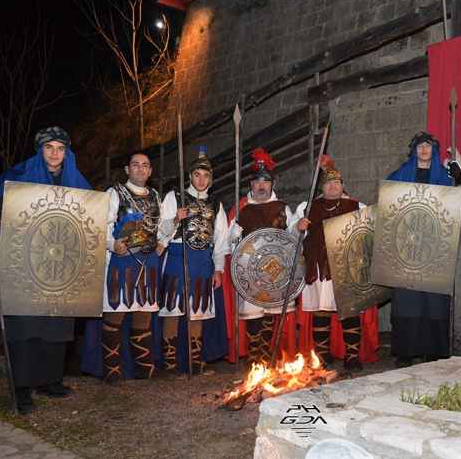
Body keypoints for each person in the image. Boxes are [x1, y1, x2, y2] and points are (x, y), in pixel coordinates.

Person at [0, 126, 89, 414]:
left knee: (56, 326)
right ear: (41, 150)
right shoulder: (17, 177)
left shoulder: (77, 182)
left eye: (60, 148)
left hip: (62, 266)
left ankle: (50, 381)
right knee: (25, 328)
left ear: (67, 152)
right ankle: (21, 389)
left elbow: (92, 219)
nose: (55, 153)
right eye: (49, 147)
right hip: (26, 264)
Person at [82, 152, 169, 386]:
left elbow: (158, 227)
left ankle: (144, 367)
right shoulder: (115, 193)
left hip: (149, 262)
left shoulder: (155, 196)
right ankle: (112, 368)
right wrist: (112, 244)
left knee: (144, 313)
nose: (140, 169)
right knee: (116, 313)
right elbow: (100, 225)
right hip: (122, 261)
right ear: (127, 169)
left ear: (151, 171)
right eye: (135, 165)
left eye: (145, 166)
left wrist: (162, 240)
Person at [385, 132, 461, 367]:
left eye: (429, 144)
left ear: (435, 151)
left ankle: (434, 350)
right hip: (405, 245)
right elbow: (387, 206)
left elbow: (459, 209)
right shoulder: (399, 176)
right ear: (414, 150)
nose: (424, 148)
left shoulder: (444, 177)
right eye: (420, 145)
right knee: (407, 297)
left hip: (435, 245)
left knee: (434, 298)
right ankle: (407, 350)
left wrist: (458, 184)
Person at [295, 156, 380, 372]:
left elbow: (371, 234)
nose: (333, 187)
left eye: (337, 183)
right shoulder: (307, 207)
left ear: (343, 186)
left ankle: (352, 355)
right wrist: (298, 226)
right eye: (328, 183)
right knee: (321, 310)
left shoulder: (357, 206)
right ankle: (322, 355)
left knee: (349, 310)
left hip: (347, 268)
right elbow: (290, 235)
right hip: (317, 268)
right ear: (321, 187)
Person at [222, 148, 299, 368]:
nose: (261, 186)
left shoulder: (283, 208)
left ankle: (265, 353)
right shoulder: (241, 209)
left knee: (270, 313)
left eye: (266, 182)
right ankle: (254, 354)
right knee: (253, 313)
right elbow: (228, 244)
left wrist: (299, 227)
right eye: (257, 183)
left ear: (272, 185)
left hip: (277, 269)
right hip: (249, 270)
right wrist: (233, 235)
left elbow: (293, 233)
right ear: (251, 186)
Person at [157, 147, 230, 376]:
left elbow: (221, 239)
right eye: (197, 175)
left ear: (211, 178)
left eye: (206, 175)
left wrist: (218, 269)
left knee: (197, 311)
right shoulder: (174, 196)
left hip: (202, 261)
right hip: (178, 256)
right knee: (172, 310)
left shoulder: (216, 205)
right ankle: (170, 363)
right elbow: (160, 231)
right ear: (190, 176)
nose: (202, 179)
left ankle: (194, 361)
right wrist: (175, 219)